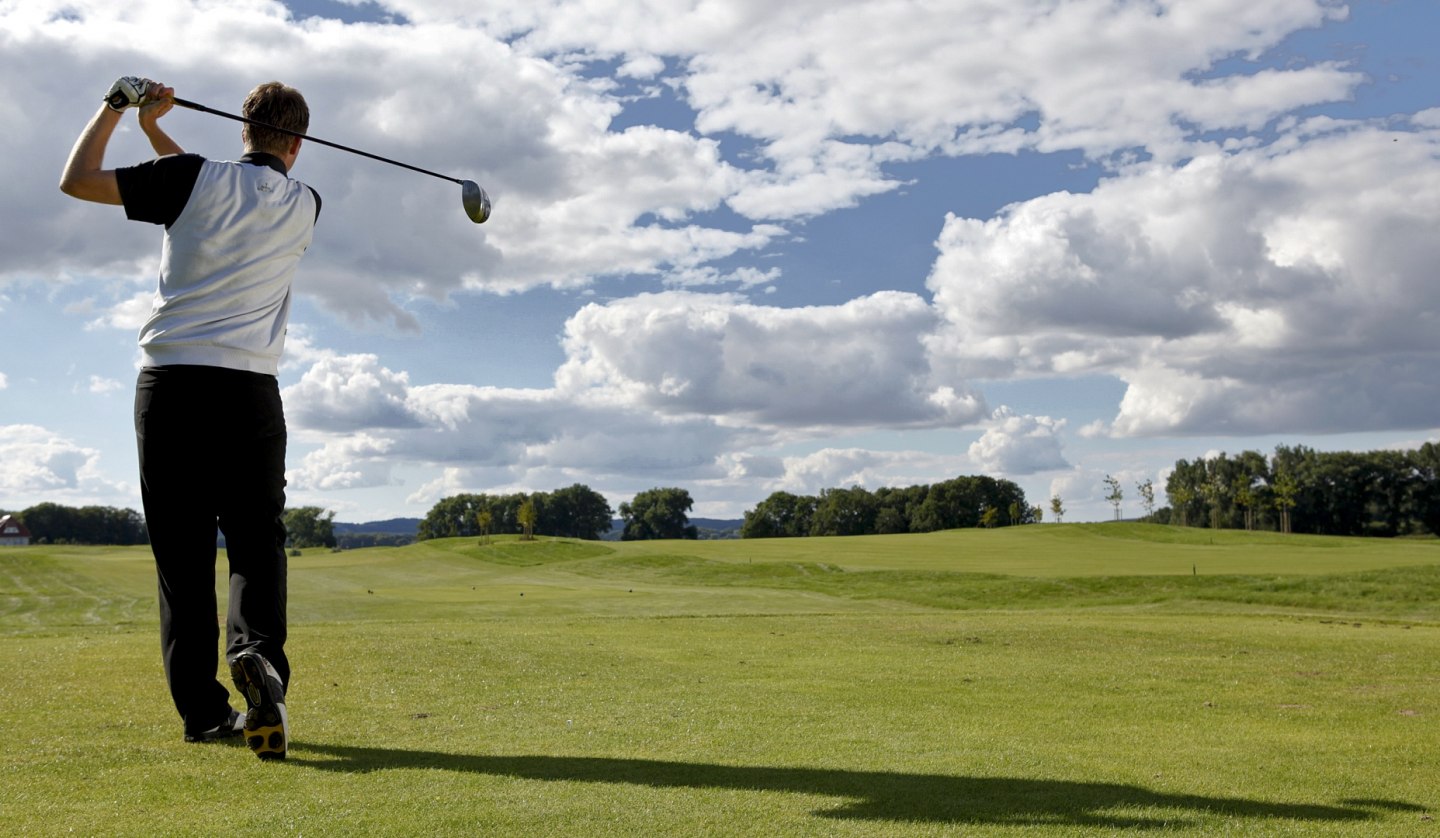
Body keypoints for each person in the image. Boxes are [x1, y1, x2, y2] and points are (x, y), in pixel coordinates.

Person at [60, 77, 320, 761]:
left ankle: (206, 715)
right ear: (297, 144)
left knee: (181, 557)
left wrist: (120, 108)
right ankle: (256, 653)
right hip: (252, 395)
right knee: (256, 546)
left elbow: (78, 180)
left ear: (243, 129)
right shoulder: (305, 203)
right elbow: (215, 191)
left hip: (172, 387)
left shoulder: (190, 180)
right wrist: (154, 132)